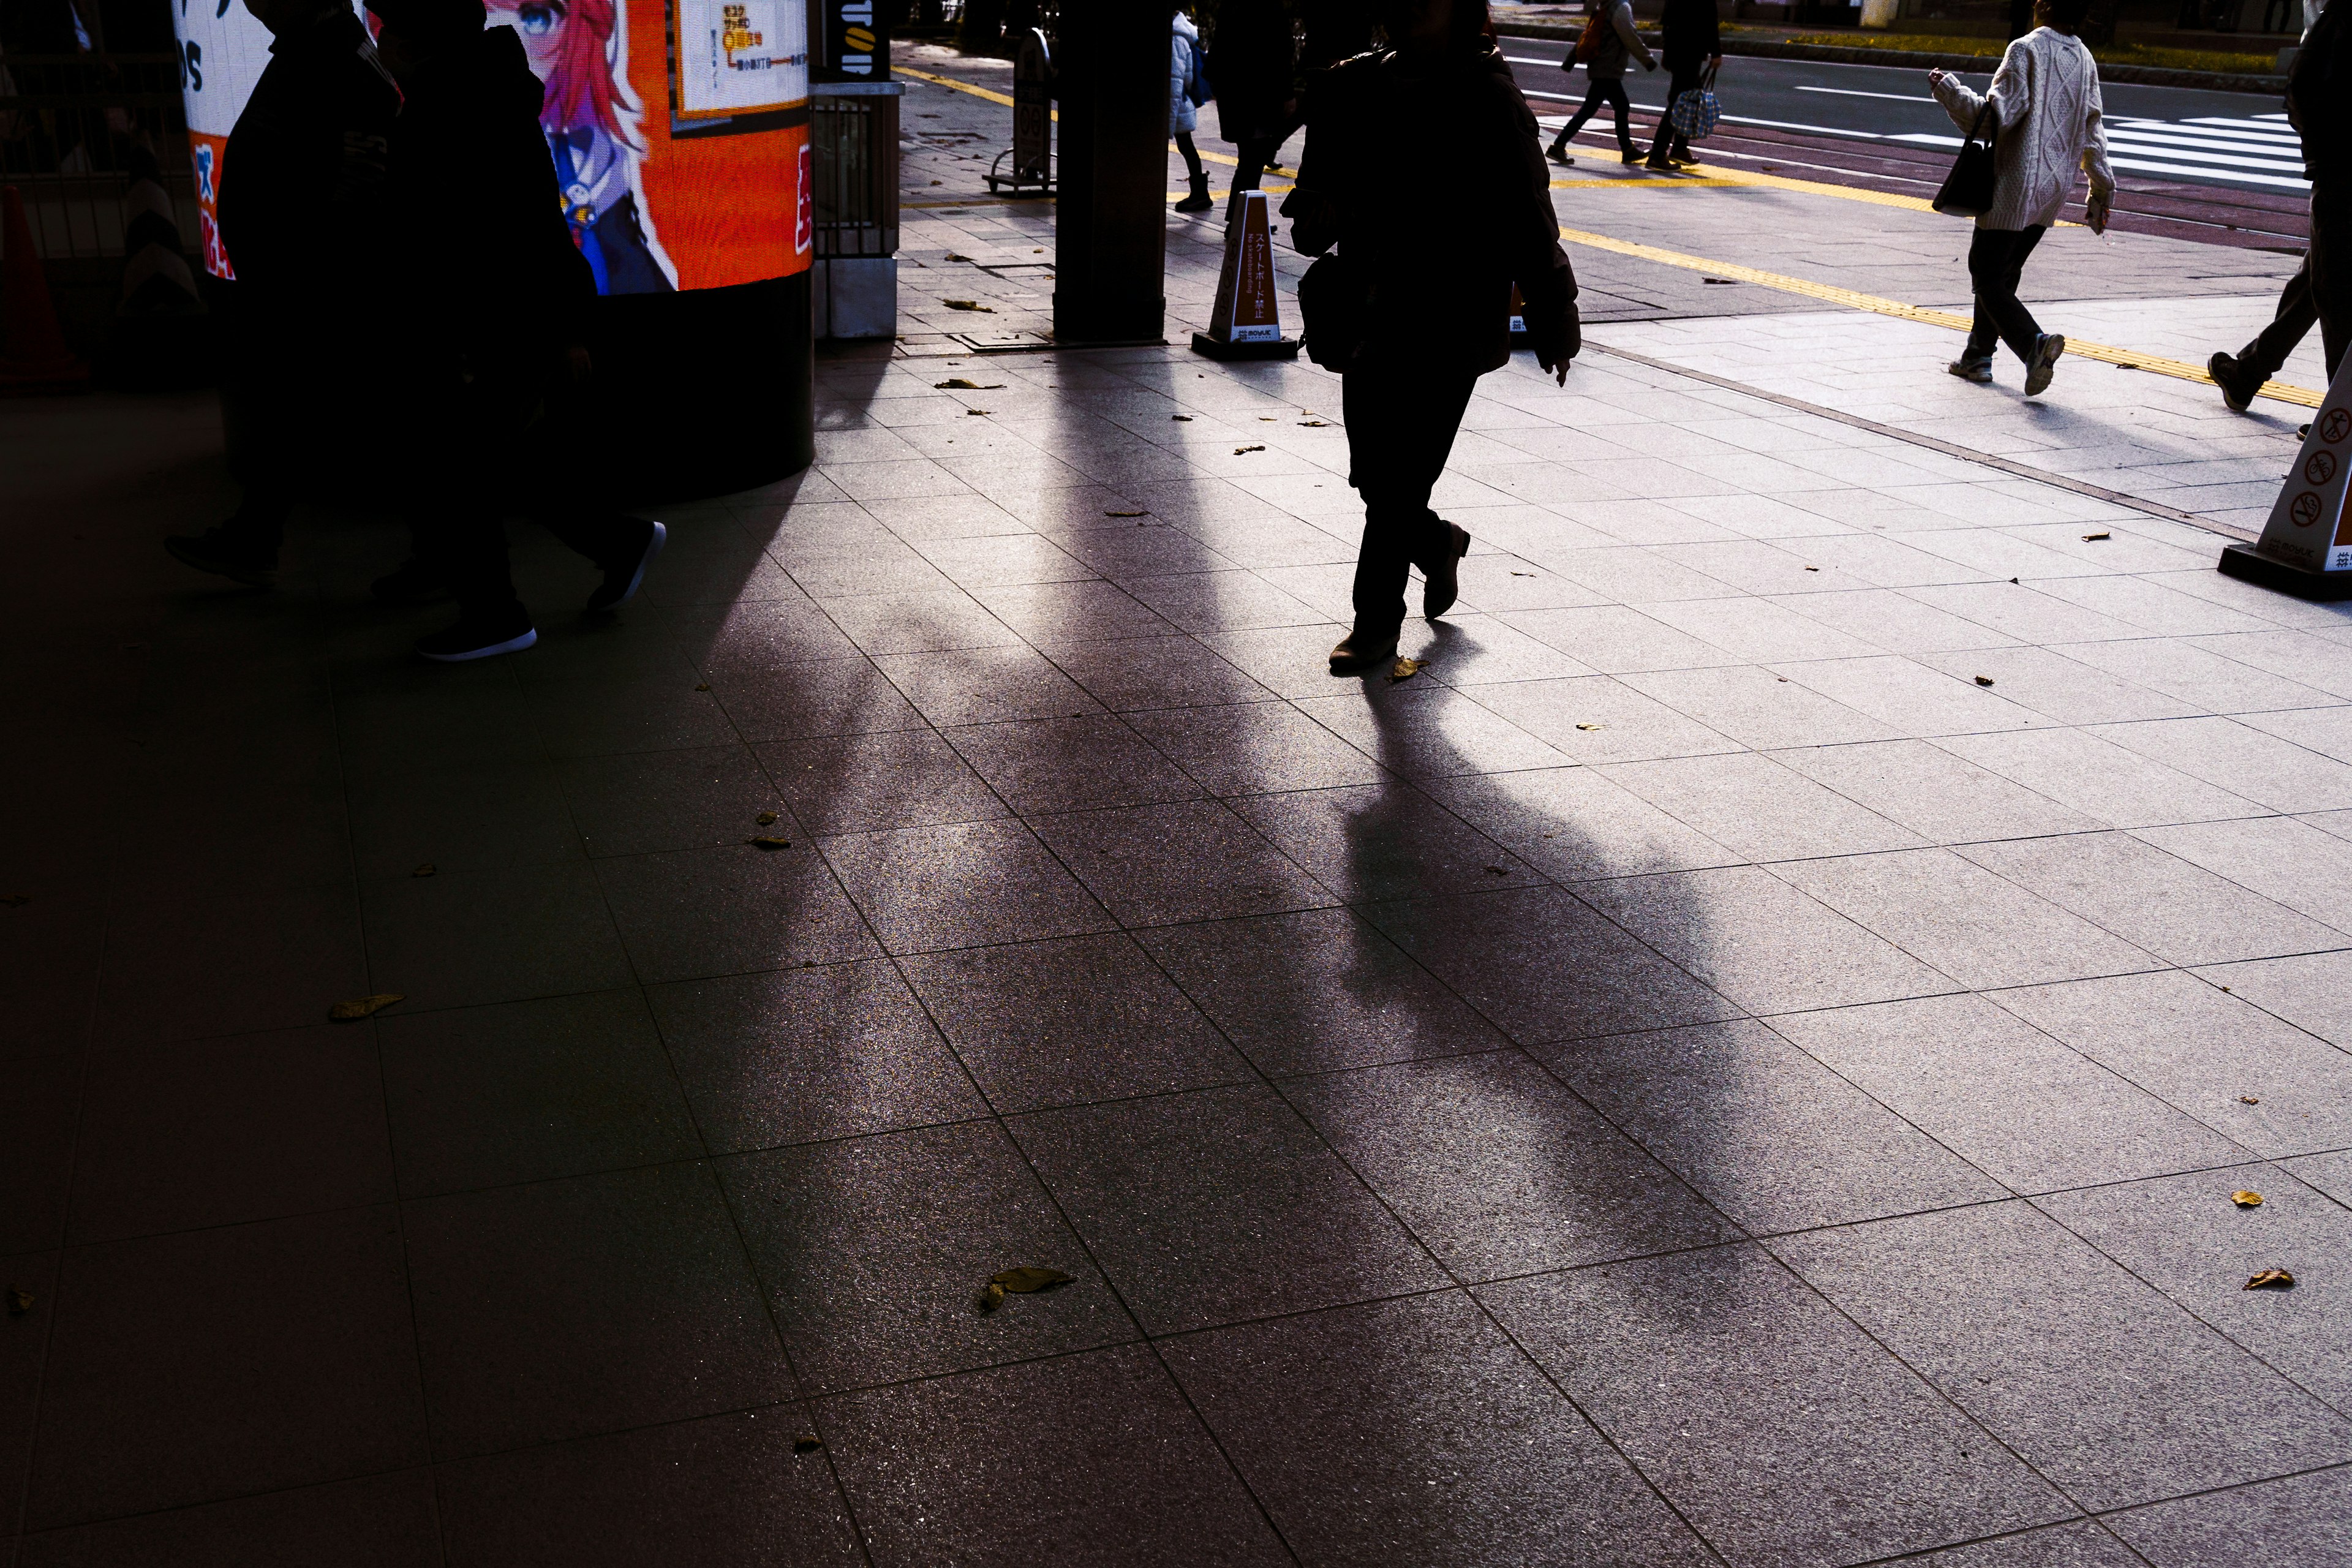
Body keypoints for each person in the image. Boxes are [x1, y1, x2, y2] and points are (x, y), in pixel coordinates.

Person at [1284, 0, 1578, 676]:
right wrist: (1326, 207)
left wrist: (1554, 309)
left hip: (1453, 315)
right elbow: (1308, 220)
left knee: (1399, 478)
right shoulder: (1352, 86)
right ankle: (1439, 542)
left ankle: (1374, 623)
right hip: (1369, 311)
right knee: (1374, 475)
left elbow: (1529, 214)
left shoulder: (1488, 95)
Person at [370, 0, 663, 659]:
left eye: (387, 28)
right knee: (494, 458)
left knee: (460, 466)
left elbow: (512, 231)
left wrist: (563, 331)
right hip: (500, 318)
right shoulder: (473, 93)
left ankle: (497, 615)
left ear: (414, 42)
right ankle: (617, 543)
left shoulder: (452, 107)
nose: (379, 42)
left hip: (491, 323)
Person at [162, 0, 399, 585]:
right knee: (307, 414)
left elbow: (358, 182)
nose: (253, 4)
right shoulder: (316, 54)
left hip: (314, 283)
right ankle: (256, 536)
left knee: (342, 416)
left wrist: (313, 267)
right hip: (298, 279)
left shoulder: (339, 62)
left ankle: (256, 536)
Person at [1931, 0, 2113, 398]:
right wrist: (2101, 190)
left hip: (2015, 186)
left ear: (2044, 5)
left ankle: (2032, 344)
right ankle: (1977, 356)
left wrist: (1949, 92)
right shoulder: (2086, 59)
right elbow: (2093, 135)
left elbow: (1994, 118)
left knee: (1987, 273)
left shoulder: (2026, 49)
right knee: (2003, 272)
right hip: (2052, 193)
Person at [2211, 0, 2346, 407]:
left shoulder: (2338, 21)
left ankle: (2341, 423)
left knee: (2334, 292)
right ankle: (2248, 373)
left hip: (2342, 174)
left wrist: (2323, 157)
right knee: (2320, 278)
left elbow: (2304, 86)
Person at [1208, 0, 1296, 207]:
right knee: (1252, 162)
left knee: (1248, 159)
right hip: (1261, 95)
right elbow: (1280, 51)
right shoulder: (1269, 8)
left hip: (1236, 93)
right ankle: (1242, 220)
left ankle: (1243, 218)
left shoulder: (1231, 7)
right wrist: (1287, 92)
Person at [1547, 0, 1655, 166]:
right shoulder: (1620, 7)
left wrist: (1572, 58)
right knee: (1597, 108)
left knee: (1617, 106)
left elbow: (1589, 33)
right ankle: (1558, 145)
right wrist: (1647, 60)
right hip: (1608, 67)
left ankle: (1627, 150)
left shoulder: (1605, 5)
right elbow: (1630, 36)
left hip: (1601, 65)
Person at [1643, 0, 1717, 170]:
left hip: (1677, 51)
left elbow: (1667, 22)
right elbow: (1710, 21)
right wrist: (1716, 52)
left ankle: (1679, 148)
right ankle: (1658, 154)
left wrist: (1666, 52)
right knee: (1680, 103)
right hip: (1691, 52)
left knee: (1687, 101)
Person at [1172, 5, 1213, 214]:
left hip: (1176, 103)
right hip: (1180, 102)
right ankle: (1200, 193)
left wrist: (1169, 119)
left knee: (1186, 146)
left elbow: (1177, 80)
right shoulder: (1180, 34)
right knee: (1186, 146)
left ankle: (1200, 194)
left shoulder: (1175, 38)